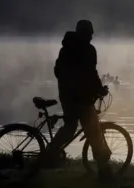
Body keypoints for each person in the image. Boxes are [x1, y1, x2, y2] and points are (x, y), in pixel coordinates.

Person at [43, 20, 112, 180]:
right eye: (90, 33)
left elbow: (58, 72)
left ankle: (50, 153)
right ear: (86, 33)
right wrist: (99, 89)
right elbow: (91, 74)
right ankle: (104, 170)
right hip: (82, 98)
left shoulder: (65, 49)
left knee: (69, 127)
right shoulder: (88, 50)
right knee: (94, 132)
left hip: (67, 96)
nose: (92, 37)